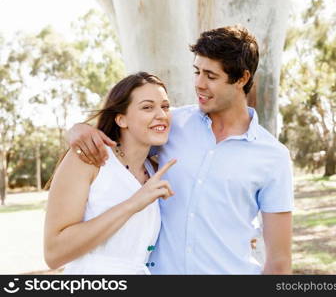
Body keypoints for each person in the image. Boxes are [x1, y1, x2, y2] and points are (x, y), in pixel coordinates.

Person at [68, 25, 294, 274]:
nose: (199, 83)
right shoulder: (170, 125)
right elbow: (121, 130)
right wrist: (78, 129)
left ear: (242, 78)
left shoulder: (274, 157)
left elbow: (279, 261)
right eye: (197, 71)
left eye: (211, 76)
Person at [44, 72, 177, 274]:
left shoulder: (154, 169)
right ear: (121, 119)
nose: (161, 114)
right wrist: (133, 204)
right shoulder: (88, 159)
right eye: (147, 107)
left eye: (165, 106)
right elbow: (54, 253)